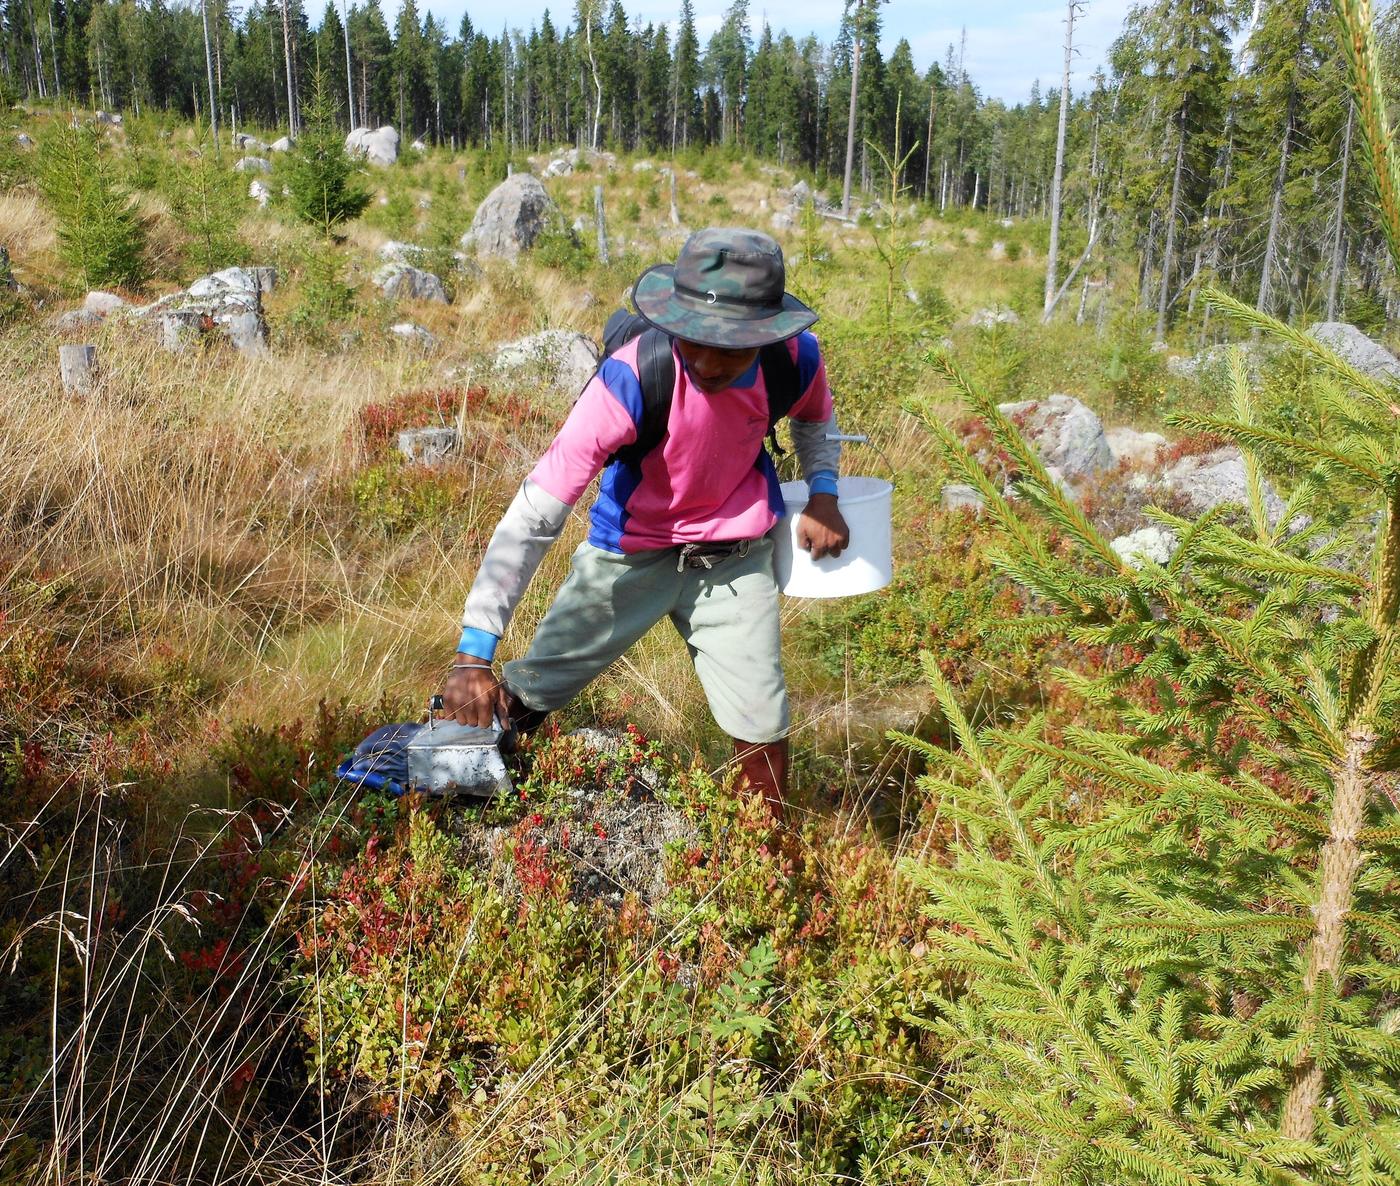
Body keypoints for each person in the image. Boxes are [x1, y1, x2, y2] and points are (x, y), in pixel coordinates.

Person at [438, 227, 849, 821]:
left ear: (764, 335)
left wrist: (825, 493)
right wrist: (473, 656)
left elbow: (814, 422)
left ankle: (763, 872)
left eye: (729, 346)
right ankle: (464, 805)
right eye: (691, 339)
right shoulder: (631, 379)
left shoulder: (794, 359)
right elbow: (535, 514)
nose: (705, 362)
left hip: (736, 562)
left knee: (763, 729)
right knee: (531, 695)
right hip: (626, 558)